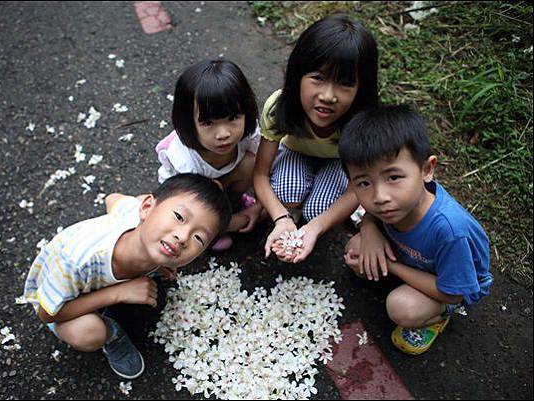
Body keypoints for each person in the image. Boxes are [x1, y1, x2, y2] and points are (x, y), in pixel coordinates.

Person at [23, 174, 232, 378]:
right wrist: (117, 294)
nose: (183, 237)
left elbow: (112, 199)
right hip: (56, 297)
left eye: (198, 237)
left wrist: (161, 264)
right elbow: (47, 314)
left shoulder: (143, 221)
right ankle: (112, 334)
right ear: (147, 208)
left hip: (99, 280)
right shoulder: (77, 260)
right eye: (178, 217)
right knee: (87, 332)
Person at [339, 105, 493, 355]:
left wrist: (390, 267)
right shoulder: (395, 204)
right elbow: (370, 216)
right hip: (415, 259)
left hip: (452, 282)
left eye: (393, 177)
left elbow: (452, 292)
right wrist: (369, 229)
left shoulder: (451, 231)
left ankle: (440, 315)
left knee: (401, 308)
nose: (380, 197)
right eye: (364, 183)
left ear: (427, 169)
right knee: (355, 248)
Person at [252, 14, 380, 263]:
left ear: (361, 88)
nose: (328, 96)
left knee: (317, 210)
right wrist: (281, 217)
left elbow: (359, 187)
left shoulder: (364, 121)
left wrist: (316, 227)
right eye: (318, 78)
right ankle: (292, 218)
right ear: (298, 74)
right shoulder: (278, 107)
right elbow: (260, 174)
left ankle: (306, 221)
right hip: (295, 153)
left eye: (345, 83)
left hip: (340, 165)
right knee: (287, 191)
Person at [155, 59, 264, 252]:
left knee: (252, 162)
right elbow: (181, 203)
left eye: (233, 118)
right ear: (188, 122)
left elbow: (262, 166)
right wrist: (231, 222)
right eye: (208, 123)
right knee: (222, 218)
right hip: (190, 197)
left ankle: (234, 201)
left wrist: (261, 204)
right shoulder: (185, 162)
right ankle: (216, 228)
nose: (223, 134)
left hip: (224, 181)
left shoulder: (249, 133)